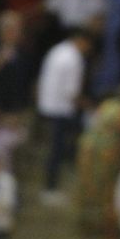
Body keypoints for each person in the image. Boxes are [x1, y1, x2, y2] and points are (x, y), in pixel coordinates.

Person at [35, 27, 91, 204]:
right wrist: (89, 106)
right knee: (58, 150)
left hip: (47, 106)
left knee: (58, 149)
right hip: (61, 109)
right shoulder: (74, 58)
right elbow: (71, 92)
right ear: (82, 41)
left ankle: (54, 185)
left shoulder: (57, 50)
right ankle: (51, 187)